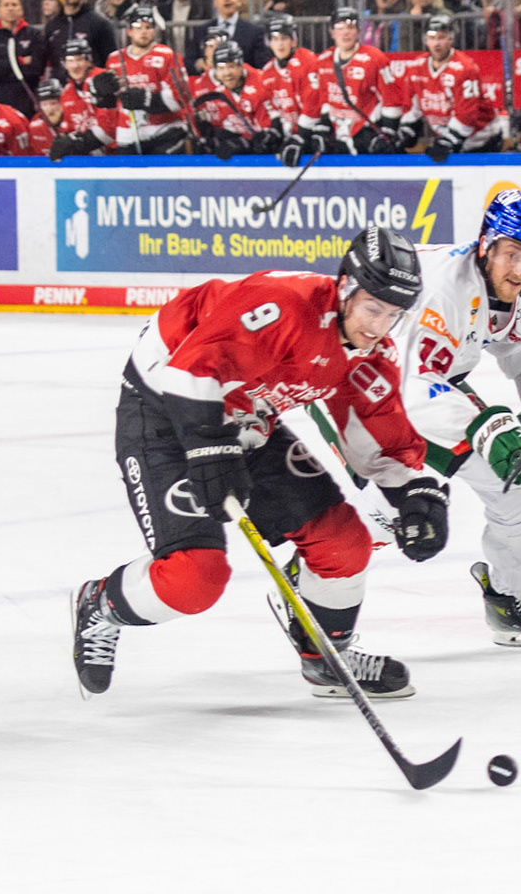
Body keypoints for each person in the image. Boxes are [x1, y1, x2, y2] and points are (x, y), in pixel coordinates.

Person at [68, 228, 449, 700]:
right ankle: (100, 603)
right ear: (345, 287)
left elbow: (378, 434)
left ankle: (326, 656)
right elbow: (191, 368)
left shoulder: (370, 353)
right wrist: (210, 447)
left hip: (249, 420)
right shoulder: (284, 304)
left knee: (343, 543)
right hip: (164, 410)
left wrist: (416, 493)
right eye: (373, 309)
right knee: (195, 578)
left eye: (393, 315)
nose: (379, 327)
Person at [394, 190, 521, 647]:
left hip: (433, 381)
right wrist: (487, 428)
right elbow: (411, 386)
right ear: (486, 244)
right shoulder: (445, 286)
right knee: (393, 510)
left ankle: (509, 601)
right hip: (366, 380)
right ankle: (314, 584)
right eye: (512, 254)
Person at [296, 6, 403, 155]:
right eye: (340, 28)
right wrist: (317, 128)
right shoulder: (323, 61)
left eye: (351, 27)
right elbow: (322, 100)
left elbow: (391, 98)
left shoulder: (375, 58)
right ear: (332, 33)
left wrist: (388, 130)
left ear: (358, 31)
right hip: (338, 134)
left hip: (367, 132)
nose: (346, 32)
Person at [401, 14, 502, 158]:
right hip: (451, 137)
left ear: (451, 38)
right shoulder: (415, 67)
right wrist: (406, 131)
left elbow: (467, 114)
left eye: (441, 37)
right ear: (425, 40)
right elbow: (412, 107)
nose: (436, 44)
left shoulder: (465, 68)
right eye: (432, 38)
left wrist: (448, 141)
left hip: (483, 139)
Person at [104, 4, 191, 152]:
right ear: (129, 31)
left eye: (148, 27)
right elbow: (110, 101)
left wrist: (147, 99)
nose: (143, 32)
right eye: (138, 27)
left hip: (163, 132)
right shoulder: (114, 59)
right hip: (128, 135)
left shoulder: (167, 56)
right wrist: (100, 94)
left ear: (154, 30)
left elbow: (182, 96)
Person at [189, 41, 276, 158]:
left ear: (241, 65)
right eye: (221, 68)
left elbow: (270, 137)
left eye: (231, 66)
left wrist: (245, 144)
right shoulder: (214, 88)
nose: (227, 73)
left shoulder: (261, 85)